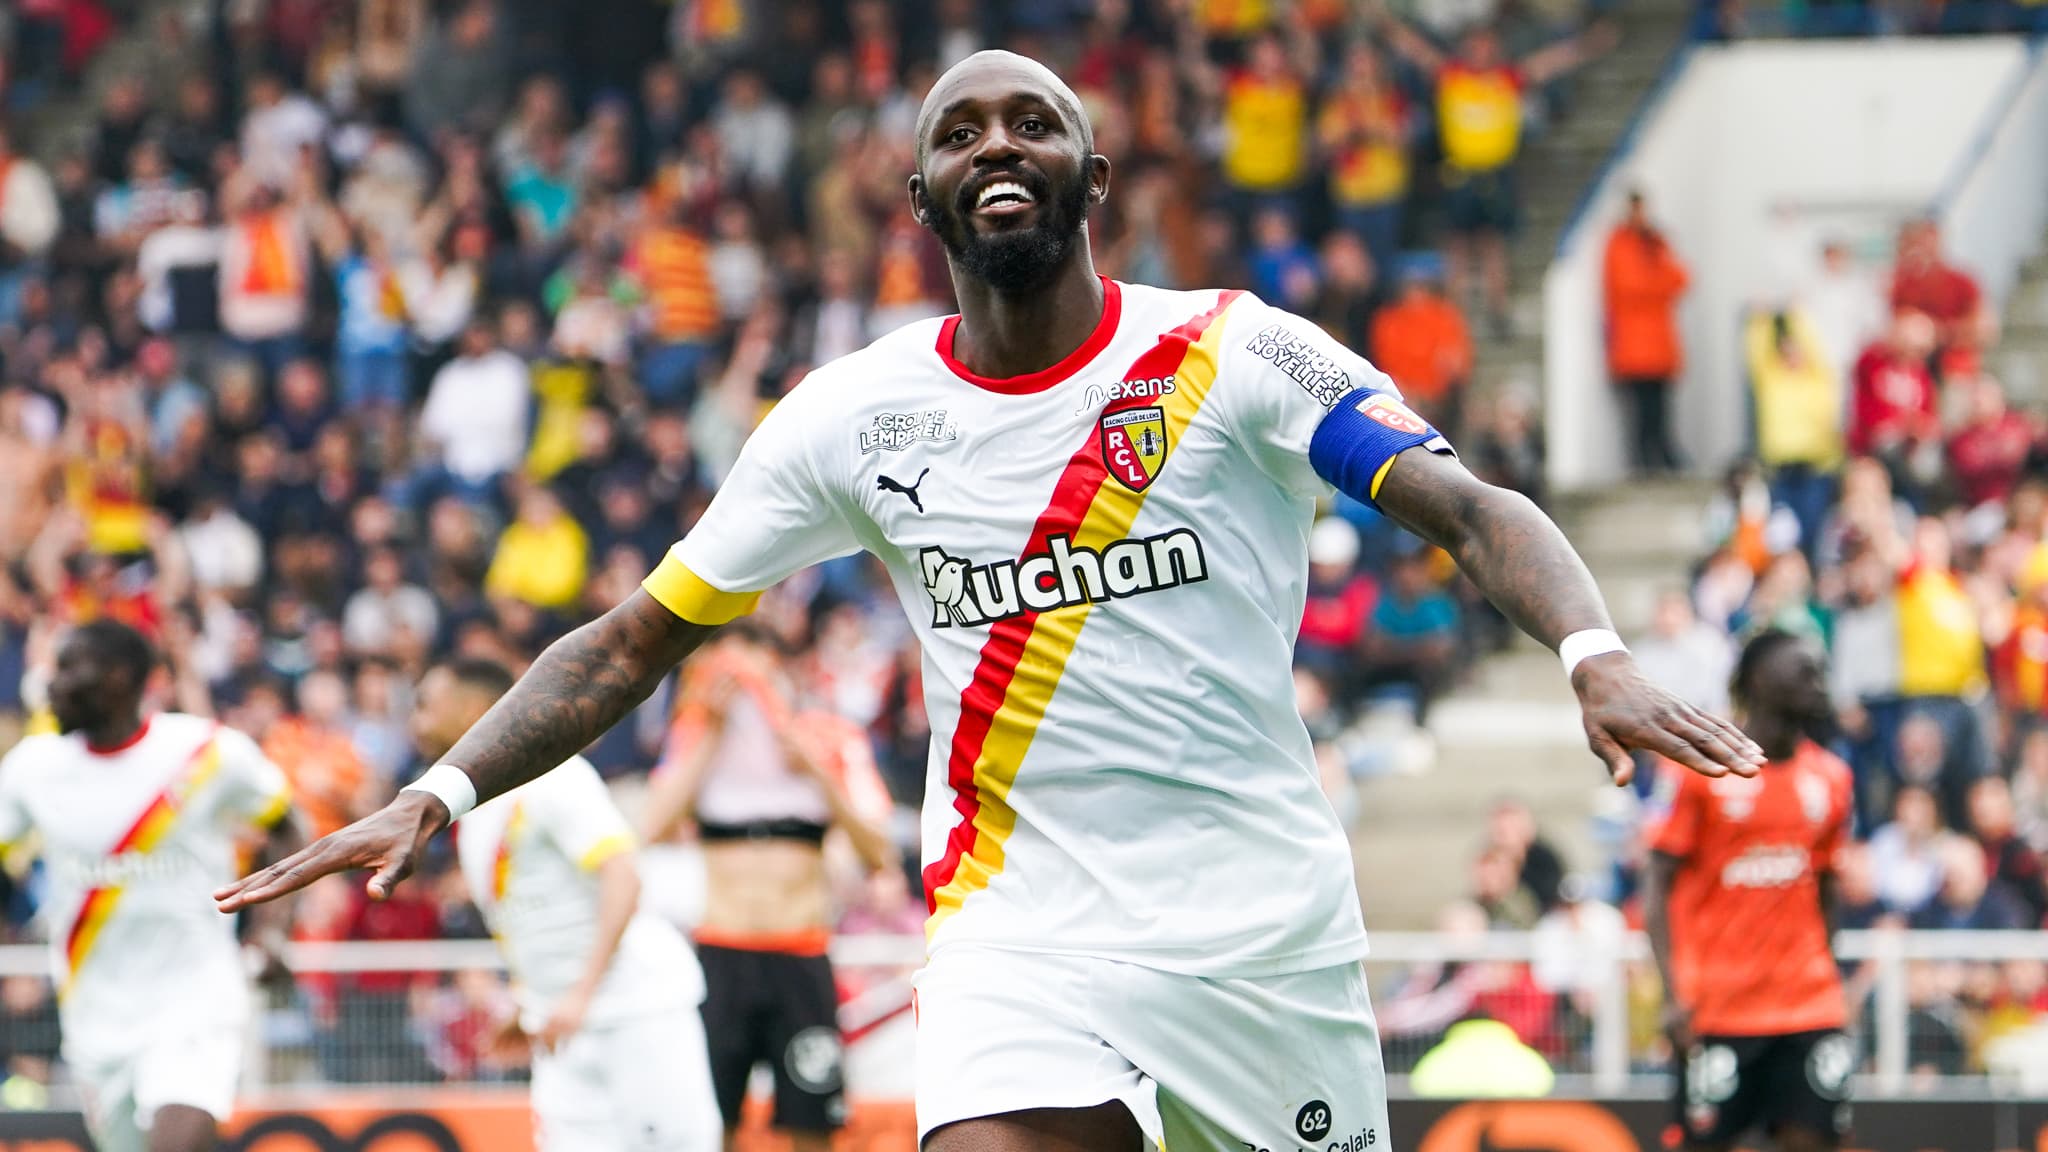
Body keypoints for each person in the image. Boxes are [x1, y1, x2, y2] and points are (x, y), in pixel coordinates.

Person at [220, 51, 1761, 1152]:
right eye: (964, 129)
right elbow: (636, 637)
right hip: (1018, 928)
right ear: (924, 194)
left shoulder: (1235, 353)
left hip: (1261, 935)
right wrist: (439, 788)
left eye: (1038, 121)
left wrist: (1593, 650)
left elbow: (1469, 508)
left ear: (1095, 175)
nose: (1000, 142)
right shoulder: (848, 416)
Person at [0, 620, 300, 1152]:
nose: (52, 684)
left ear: (120, 677)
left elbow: (288, 825)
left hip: (196, 995)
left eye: (69, 668)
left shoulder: (206, 753)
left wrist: (272, 927)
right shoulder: (32, 768)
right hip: (94, 1011)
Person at [419, 659, 722, 1152]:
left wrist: (579, 992)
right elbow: (532, 916)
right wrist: (530, 1002)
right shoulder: (478, 809)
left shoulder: (552, 776)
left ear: (474, 709)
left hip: (637, 1012)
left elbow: (623, 876)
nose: (416, 720)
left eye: (426, 705)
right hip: (561, 1029)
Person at [638, 626, 895, 1149]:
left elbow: (880, 851)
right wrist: (709, 735)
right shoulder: (694, 739)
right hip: (722, 952)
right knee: (712, 1121)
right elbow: (651, 826)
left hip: (799, 953)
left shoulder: (830, 738)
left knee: (812, 1122)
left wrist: (815, 770)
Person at [1644, 630, 1855, 1152]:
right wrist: (1672, 994)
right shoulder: (1703, 770)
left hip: (1809, 1005)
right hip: (1720, 1008)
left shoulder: (1831, 778)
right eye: (1802, 670)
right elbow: (1656, 885)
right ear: (1759, 679)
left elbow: (1827, 885)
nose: (1817, 682)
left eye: (1820, 671)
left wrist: (1827, 970)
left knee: (1819, 1141)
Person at [1604, 190, 1691, 474]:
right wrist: (1658, 281)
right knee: (1641, 410)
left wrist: (1657, 275)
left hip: (1659, 343)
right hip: (1634, 344)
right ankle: (1643, 462)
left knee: (1661, 408)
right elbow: (1630, 286)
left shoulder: (1656, 242)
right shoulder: (1620, 243)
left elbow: (1681, 279)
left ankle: (1662, 455)